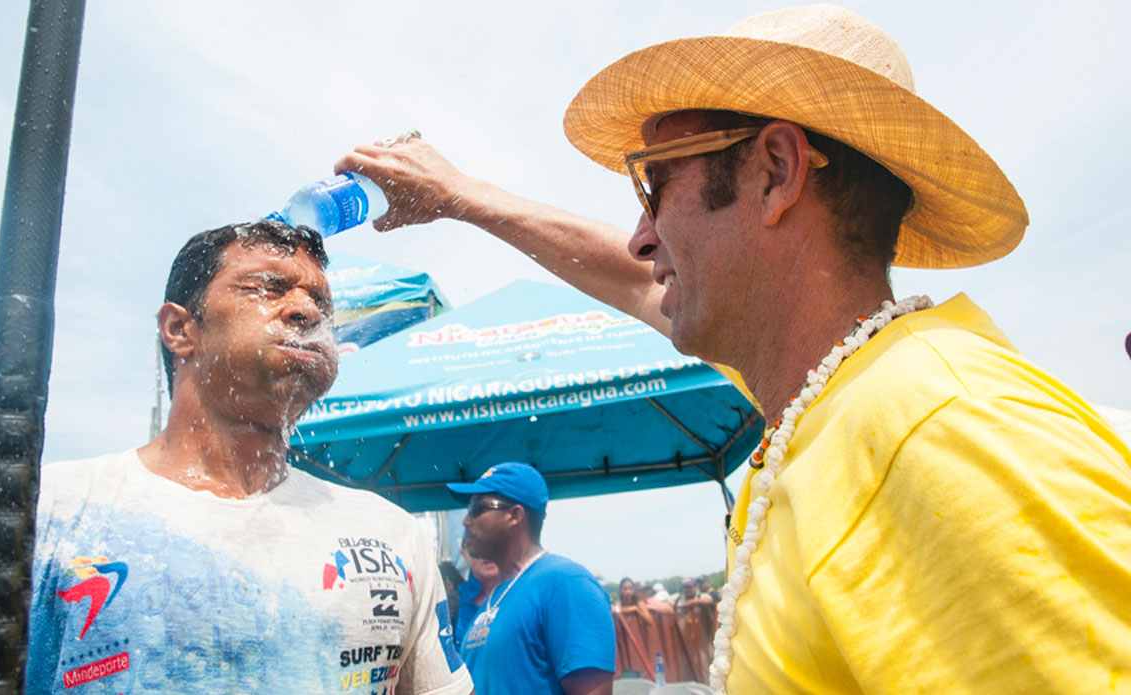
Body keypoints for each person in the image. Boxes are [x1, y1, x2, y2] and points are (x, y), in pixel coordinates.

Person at [338, 5, 1131, 693]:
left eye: (653, 184)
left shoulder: (937, 429)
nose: (642, 236)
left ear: (777, 172)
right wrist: (464, 197)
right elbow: (640, 280)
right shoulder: (841, 403)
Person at [0, 220, 471, 695]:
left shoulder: (389, 535)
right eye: (267, 287)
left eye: (322, 303)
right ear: (180, 329)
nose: (307, 310)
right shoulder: (48, 511)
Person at [447, 462, 615, 694]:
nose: (466, 521)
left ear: (514, 515)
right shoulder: (495, 598)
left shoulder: (566, 584)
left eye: (476, 507)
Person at [612, 578, 693, 683]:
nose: (628, 592)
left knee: (641, 673)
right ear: (620, 590)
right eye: (625, 589)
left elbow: (650, 620)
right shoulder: (617, 606)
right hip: (623, 646)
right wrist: (631, 610)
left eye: (630, 589)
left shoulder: (640, 604)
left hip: (639, 645)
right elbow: (614, 611)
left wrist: (640, 608)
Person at [453, 545, 500, 652]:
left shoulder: (522, 597)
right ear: (465, 554)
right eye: (477, 544)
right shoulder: (453, 603)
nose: (486, 552)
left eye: (493, 544)